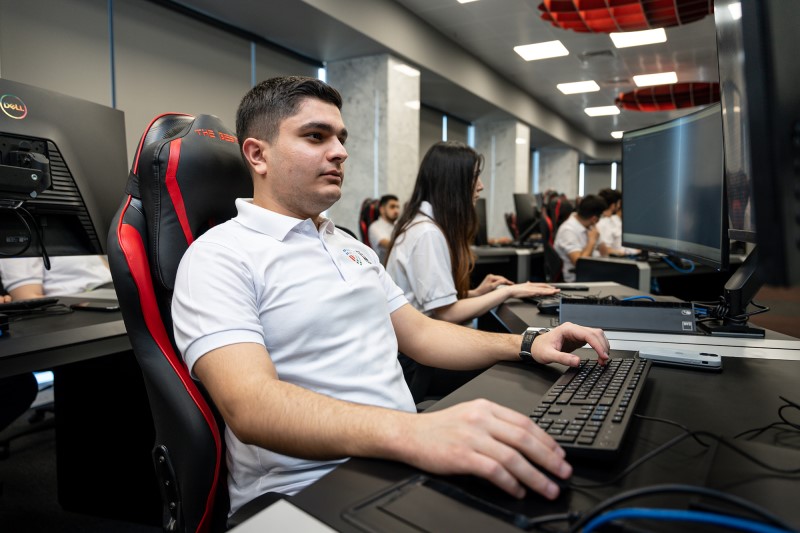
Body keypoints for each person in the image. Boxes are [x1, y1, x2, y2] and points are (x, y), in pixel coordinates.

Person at [171, 76, 610, 517]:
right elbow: (250, 406)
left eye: (341, 138)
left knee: (578, 497)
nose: (340, 151)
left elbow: (421, 334)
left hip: (393, 457)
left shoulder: (350, 246)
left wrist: (529, 343)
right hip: (306, 488)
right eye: (316, 136)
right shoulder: (219, 256)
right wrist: (414, 433)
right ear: (257, 154)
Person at [384, 141, 561, 396]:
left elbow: (426, 302)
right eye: (474, 177)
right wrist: (507, 292)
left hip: (420, 352)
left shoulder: (423, 225)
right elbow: (447, 314)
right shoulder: (427, 233)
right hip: (418, 365)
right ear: (453, 182)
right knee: (524, 372)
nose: (481, 185)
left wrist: (477, 293)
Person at [0, 255, 112, 300]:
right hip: (79, 308)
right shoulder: (21, 237)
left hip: (110, 296)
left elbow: (109, 274)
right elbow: (27, 298)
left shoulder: (78, 230)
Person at [553, 194, 610, 282]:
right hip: (576, 280)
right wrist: (591, 241)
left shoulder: (589, 226)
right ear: (594, 219)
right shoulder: (568, 230)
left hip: (591, 272)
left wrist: (598, 238)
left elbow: (605, 255)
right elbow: (580, 265)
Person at [596, 188, 638, 257]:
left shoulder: (614, 220)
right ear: (614, 205)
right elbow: (606, 249)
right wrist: (629, 252)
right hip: (618, 258)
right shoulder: (604, 223)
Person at [367, 193, 400, 263]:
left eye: (397, 207)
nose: (396, 211)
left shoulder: (399, 224)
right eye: (392, 207)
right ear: (382, 209)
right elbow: (387, 244)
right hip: (384, 267)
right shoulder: (374, 227)